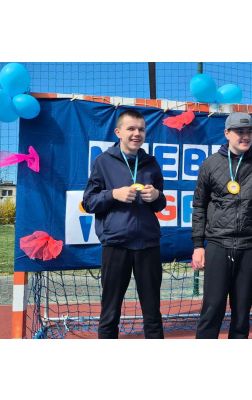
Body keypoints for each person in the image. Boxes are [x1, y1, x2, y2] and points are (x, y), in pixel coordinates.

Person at [192, 112, 252, 339]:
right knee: (212, 309)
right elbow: (199, 206)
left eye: (249, 132)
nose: (245, 136)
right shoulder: (210, 164)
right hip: (218, 244)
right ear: (227, 133)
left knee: (242, 313)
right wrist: (198, 245)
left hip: (250, 246)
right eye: (239, 132)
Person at [82, 109, 167, 339]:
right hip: (116, 244)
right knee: (110, 311)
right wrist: (113, 195)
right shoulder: (103, 162)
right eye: (131, 128)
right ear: (118, 132)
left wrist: (156, 196)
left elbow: (161, 203)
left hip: (148, 244)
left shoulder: (151, 163)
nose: (137, 133)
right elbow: (88, 202)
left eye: (141, 129)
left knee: (152, 312)